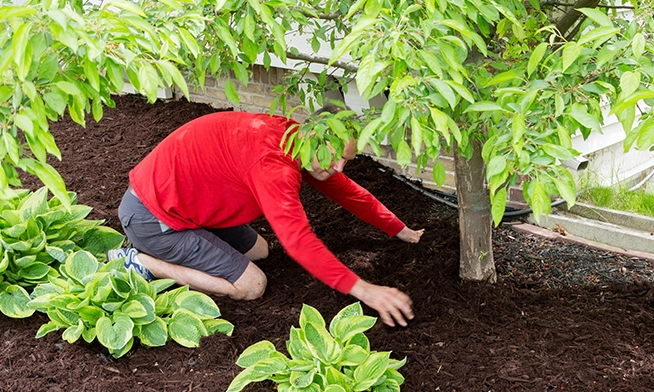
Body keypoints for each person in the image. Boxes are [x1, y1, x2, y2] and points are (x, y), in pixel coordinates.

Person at [109, 109, 424, 327]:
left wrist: (400, 230)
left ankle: (188, 245)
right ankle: (143, 263)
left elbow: (347, 192)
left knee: (260, 251)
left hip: (184, 203)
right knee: (252, 284)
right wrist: (365, 290)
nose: (339, 167)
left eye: (347, 159)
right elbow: (298, 241)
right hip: (153, 217)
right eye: (337, 155)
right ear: (315, 134)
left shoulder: (294, 137)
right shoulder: (273, 166)